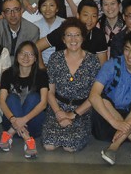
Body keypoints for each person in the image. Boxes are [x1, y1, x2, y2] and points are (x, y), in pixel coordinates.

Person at [90, 31, 131, 164]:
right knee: (103, 101)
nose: (130, 55)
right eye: (127, 49)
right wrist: (116, 123)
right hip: (108, 123)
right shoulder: (111, 65)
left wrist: (127, 124)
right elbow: (93, 96)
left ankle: (113, 147)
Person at [42, 18, 100, 153]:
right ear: (63, 39)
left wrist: (73, 115)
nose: (73, 39)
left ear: (83, 38)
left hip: (82, 110)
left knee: (70, 146)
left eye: (77, 35)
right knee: (49, 145)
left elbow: (94, 95)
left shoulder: (93, 60)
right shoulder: (55, 58)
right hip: (57, 108)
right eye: (69, 35)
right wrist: (59, 113)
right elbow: (50, 91)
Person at [0, 41, 48, 158]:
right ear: (17, 56)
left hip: (33, 126)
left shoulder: (41, 75)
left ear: (35, 58)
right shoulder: (7, 74)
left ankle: (9, 134)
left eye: (30, 54)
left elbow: (44, 103)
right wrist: (13, 120)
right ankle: (27, 139)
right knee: (12, 98)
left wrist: (22, 121)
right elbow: (2, 101)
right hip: (12, 122)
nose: (26, 57)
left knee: (34, 97)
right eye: (22, 53)